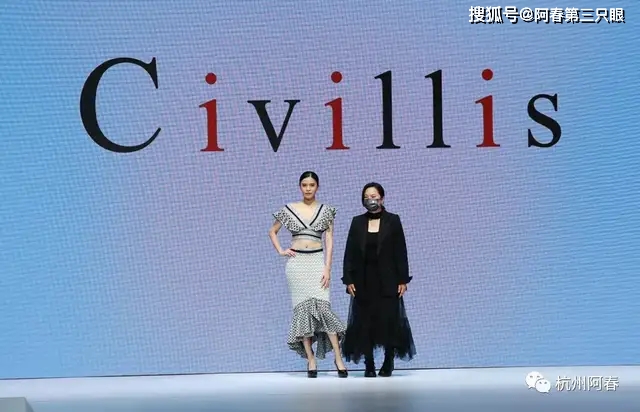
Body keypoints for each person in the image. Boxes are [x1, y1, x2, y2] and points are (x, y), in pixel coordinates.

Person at [268, 171, 348, 378]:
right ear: (300, 187)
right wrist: (281, 250)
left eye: (312, 185)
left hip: (316, 261)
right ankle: (311, 360)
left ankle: (338, 357)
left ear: (317, 186)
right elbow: (272, 231)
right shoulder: (289, 209)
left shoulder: (326, 210)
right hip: (297, 265)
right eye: (304, 185)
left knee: (324, 309)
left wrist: (327, 268)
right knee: (303, 312)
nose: (308, 188)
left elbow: (329, 240)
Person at [341, 182, 416, 377]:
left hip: (388, 280)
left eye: (373, 196)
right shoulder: (357, 222)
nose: (370, 200)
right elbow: (350, 252)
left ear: (382, 198)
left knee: (389, 321)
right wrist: (348, 279)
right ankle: (369, 364)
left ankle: (388, 361)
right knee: (365, 322)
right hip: (363, 280)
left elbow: (400, 251)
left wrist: (403, 279)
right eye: (366, 197)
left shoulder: (393, 220)